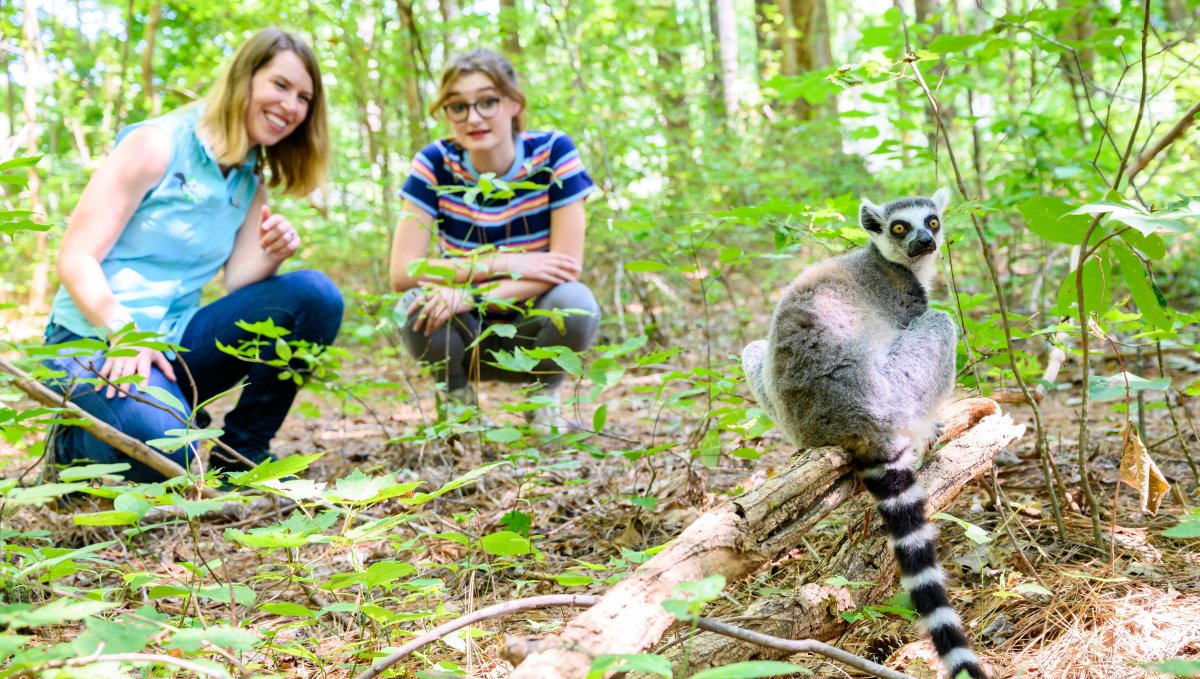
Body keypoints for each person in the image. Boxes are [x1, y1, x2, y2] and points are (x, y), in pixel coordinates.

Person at [42, 28, 343, 483]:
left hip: (174, 343)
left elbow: (241, 284)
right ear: (245, 78)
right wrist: (126, 333)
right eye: (280, 85)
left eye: (304, 98)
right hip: (95, 338)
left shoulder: (247, 181)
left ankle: (241, 455)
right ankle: (72, 445)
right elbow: (75, 258)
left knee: (316, 295)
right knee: (170, 458)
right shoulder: (157, 144)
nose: (292, 106)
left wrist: (275, 254)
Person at [389, 48, 600, 430]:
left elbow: (567, 265)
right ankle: (457, 405)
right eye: (458, 107)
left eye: (487, 102)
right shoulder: (434, 162)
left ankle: (542, 399)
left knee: (577, 302)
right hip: (464, 331)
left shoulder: (553, 153)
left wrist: (473, 293)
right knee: (414, 304)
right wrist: (502, 263)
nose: (473, 118)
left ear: (514, 103)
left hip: (531, 324)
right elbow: (403, 272)